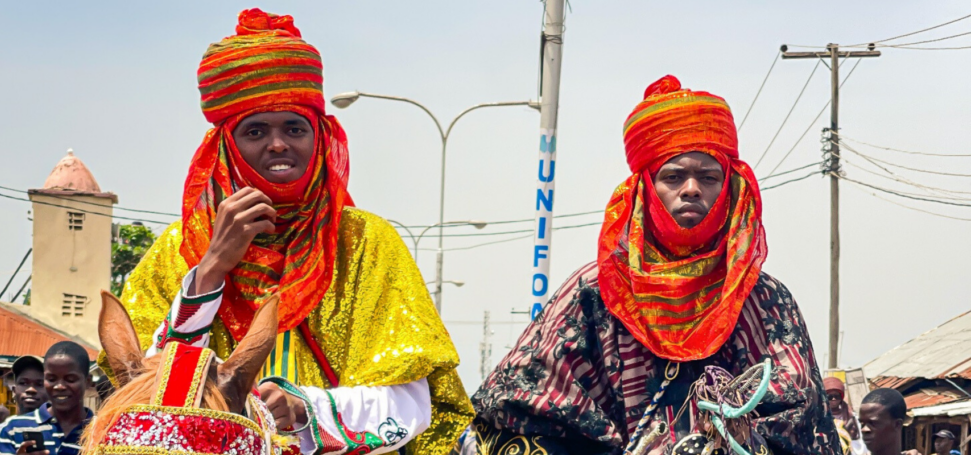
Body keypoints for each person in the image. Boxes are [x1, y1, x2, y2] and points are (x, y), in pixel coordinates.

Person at [106, 8, 471, 455]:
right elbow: (148, 392)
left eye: (294, 128)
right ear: (225, 146)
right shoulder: (175, 250)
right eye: (255, 130)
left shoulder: (367, 243)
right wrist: (211, 269)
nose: (278, 144)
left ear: (319, 138)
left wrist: (304, 408)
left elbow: (413, 402)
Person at [469, 75, 842, 455]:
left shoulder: (765, 298)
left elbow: (804, 424)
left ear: (730, 187)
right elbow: (518, 411)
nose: (692, 189)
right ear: (645, 188)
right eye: (674, 176)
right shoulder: (593, 293)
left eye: (709, 177)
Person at [0, 342, 93, 455]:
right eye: (51, 379)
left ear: (87, 381)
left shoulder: (104, 430)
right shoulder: (15, 428)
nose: (59, 387)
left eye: (70, 379)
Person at [0, 356, 46, 455]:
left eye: (40, 384)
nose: (31, 389)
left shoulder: (64, 435)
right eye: (23, 383)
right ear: (14, 391)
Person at [826, 377, 861, 443]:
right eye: (830, 397)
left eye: (837, 396)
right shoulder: (819, 417)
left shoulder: (850, 416)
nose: (833, 399)